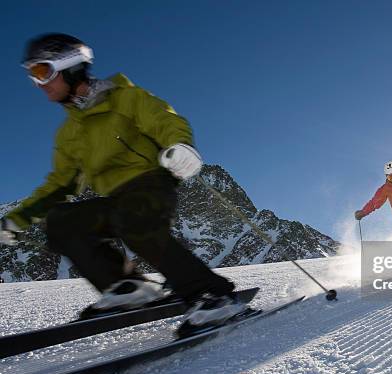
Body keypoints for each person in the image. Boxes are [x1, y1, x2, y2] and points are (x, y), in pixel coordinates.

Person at [0, 33, 245, 329]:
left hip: (150, 184)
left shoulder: (125, 98)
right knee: (61, 221)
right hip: (115, 200)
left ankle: (212, 296)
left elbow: (164, 120)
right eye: (32, 76)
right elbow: (59, 184)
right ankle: (130, 287)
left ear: (70, 66)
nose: (40, 84)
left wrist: (181, 145)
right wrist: (16, 219)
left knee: (134, 216)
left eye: (42, 72)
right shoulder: (69, 133)